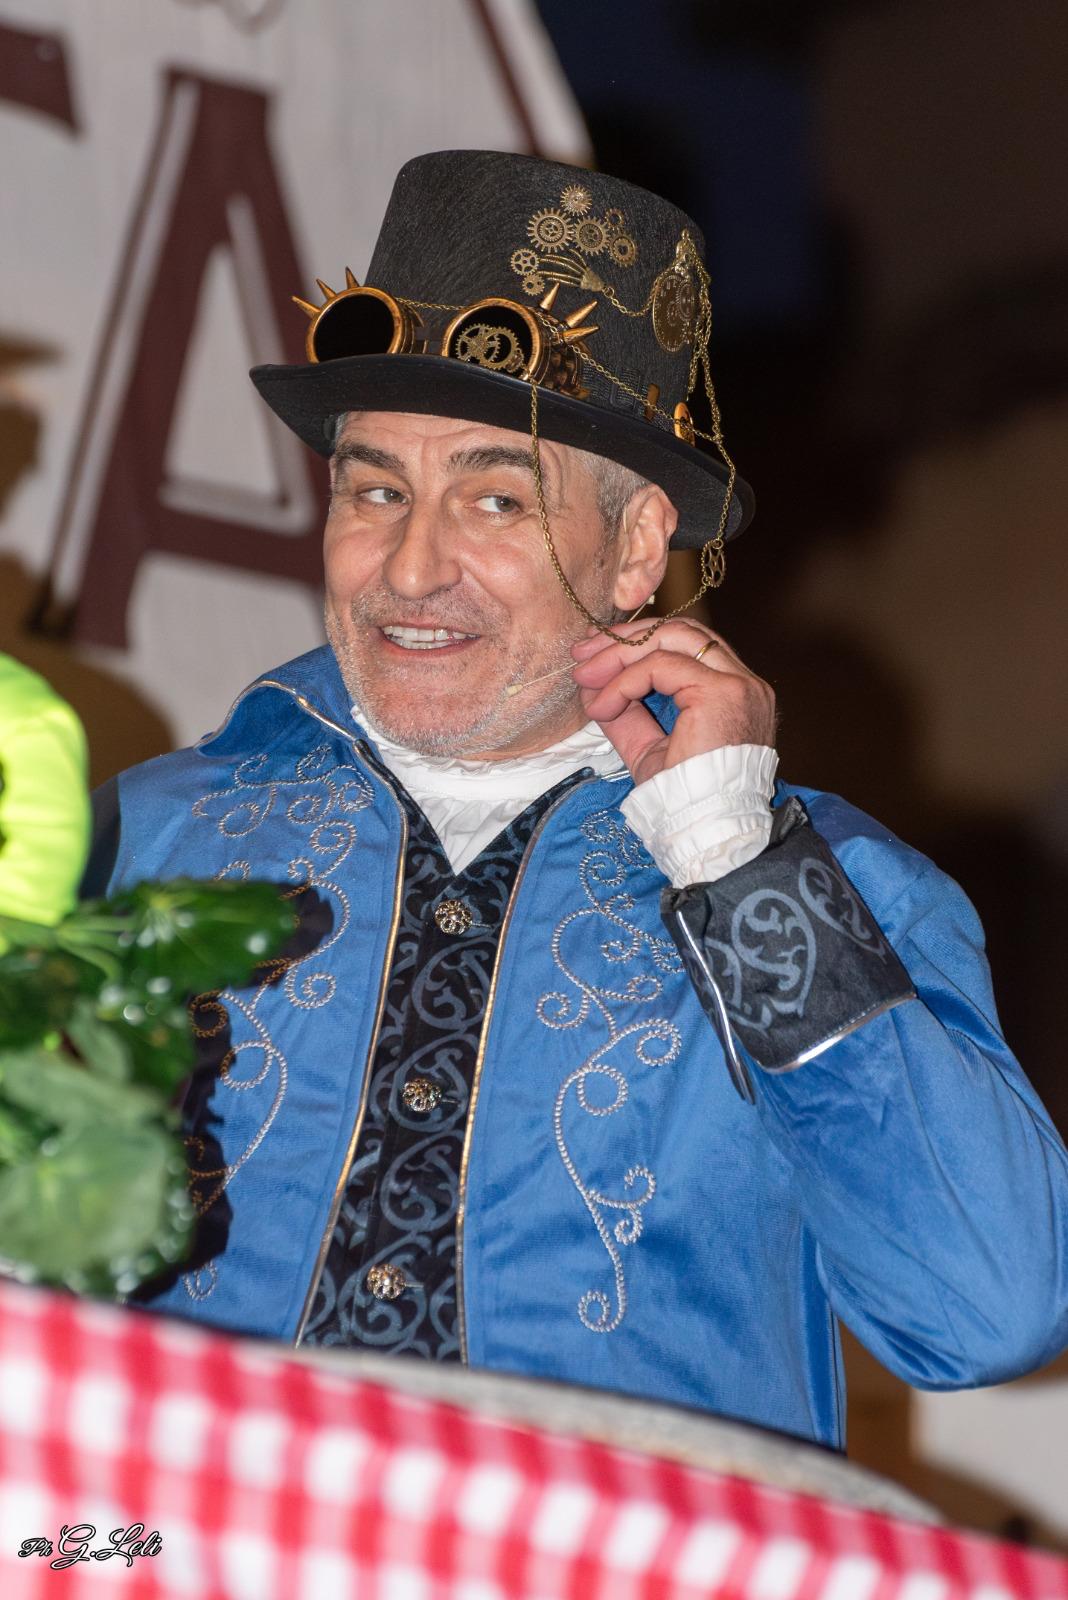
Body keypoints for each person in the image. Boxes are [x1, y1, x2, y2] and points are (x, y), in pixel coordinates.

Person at [87, 150, 1068, 1448]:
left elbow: (988, 1309)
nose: (411, 567)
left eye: (495, 498)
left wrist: (734, 859)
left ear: (638, 546)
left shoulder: (839, 883)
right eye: (376, 490)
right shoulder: (142, 836)